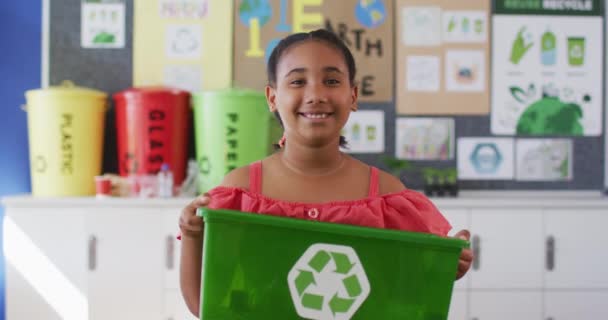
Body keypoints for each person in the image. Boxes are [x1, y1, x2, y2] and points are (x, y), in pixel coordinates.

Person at [179, 29, 473, 316]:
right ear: (272, 97)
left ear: (353, 95)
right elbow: (206, 305)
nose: (316, 94)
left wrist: (445, 267)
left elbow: (406, 300)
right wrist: (192, 235)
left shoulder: (388, 196)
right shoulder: (241, 191)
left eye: (331, 81)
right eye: (297, 81)